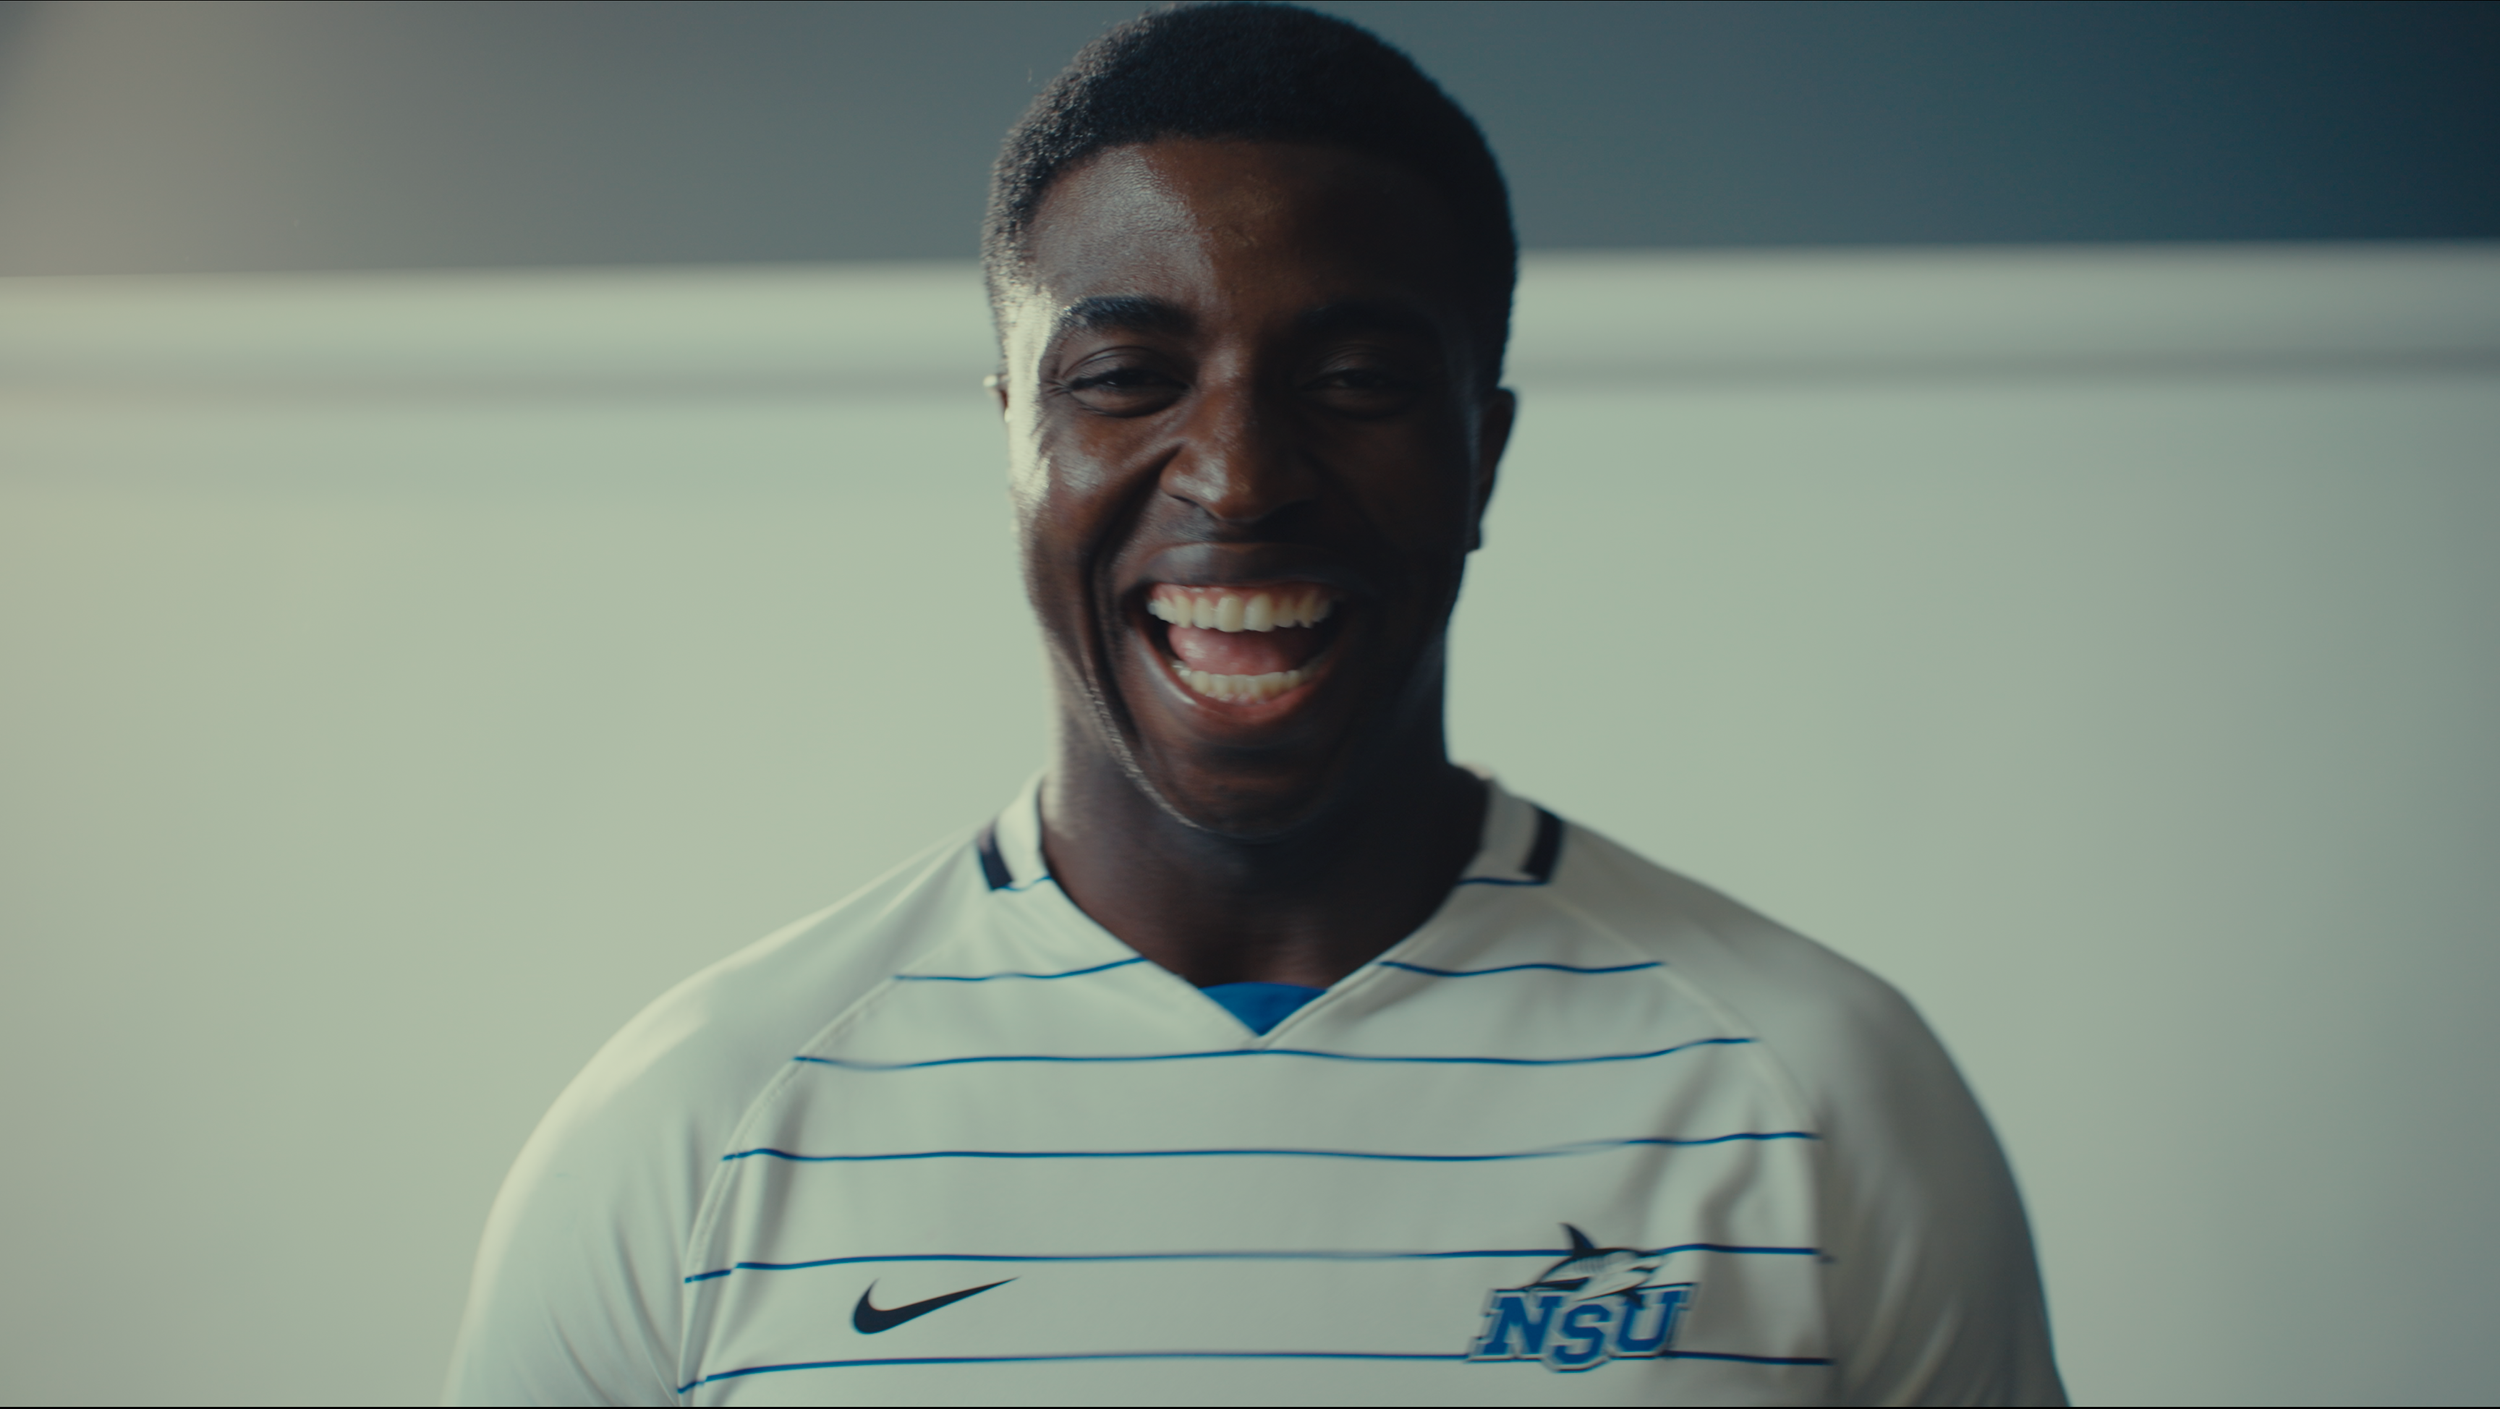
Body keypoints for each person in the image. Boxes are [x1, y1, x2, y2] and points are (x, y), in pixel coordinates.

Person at [444, 4, 2064, 1403]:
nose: (1236, 475)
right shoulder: (694, 1126)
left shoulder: (1822, 1095)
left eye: (1353, 381)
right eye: (1128, 377)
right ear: (1017, 440)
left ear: (1483, 451)